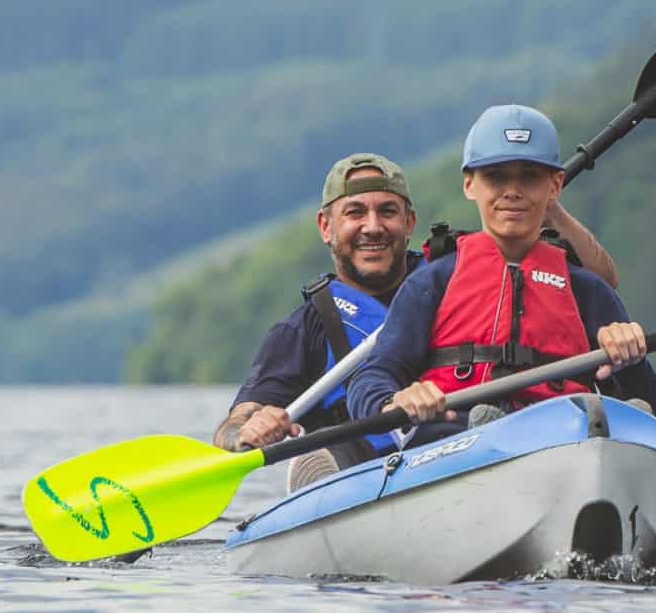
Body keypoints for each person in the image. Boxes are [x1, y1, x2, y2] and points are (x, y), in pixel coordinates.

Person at [213, 149, 621, 488]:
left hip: (465, 455)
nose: (373, 227)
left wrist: (543, 203)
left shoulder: (452, 271)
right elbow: (232, 427)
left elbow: (595, 284)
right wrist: (247, 432)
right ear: (326, 226)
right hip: (370, 482)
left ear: (409, 223)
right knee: (329, 454)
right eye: (355, 213)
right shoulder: (303, 329)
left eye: (387, 212)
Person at [346, 105, 656, 440]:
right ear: (469, 184)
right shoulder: (433, 282)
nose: (513, 190)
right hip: (454, 437)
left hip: (562, 439)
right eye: (496, 176)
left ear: (555, 185)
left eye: (530, 176)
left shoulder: (586, 290)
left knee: (626, 415)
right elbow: (371, 380)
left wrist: (631, 359)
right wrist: (394, 401)